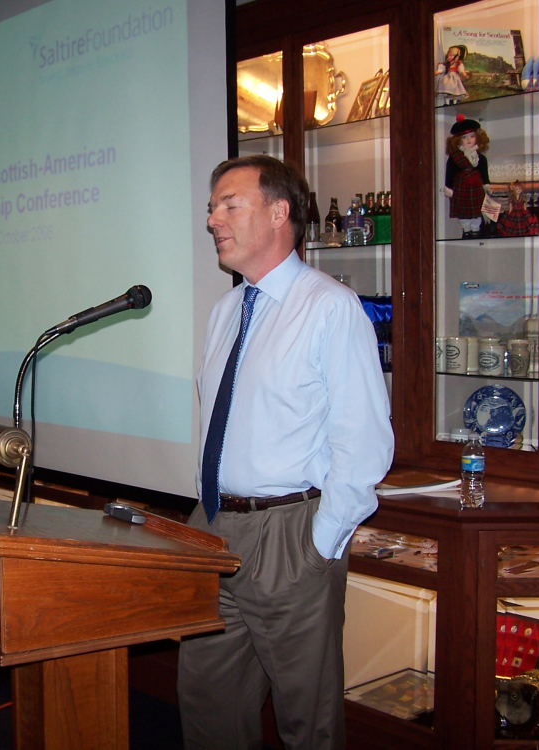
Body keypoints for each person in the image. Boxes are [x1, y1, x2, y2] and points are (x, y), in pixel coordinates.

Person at [177, 154, 394, 750]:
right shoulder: (226, 311)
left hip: (288, 535)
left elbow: (364, 441)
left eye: (229, 205)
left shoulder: (329, 306)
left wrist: (319, 545)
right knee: (208, 707)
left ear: (279, 213)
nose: (212, 220)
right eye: (211, 208)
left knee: (307, 723)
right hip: (213, 527)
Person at [444, 114, 492, 239]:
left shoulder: (481, 158)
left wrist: (486, 184)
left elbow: (484, 173)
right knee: (464, 213)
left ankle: (475, 229)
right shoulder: (455, 158)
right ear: (458, 140)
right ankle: (466, 230)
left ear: (478, 138)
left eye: (472, 136)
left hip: (477, 188)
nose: (469, 140)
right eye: (464, 137)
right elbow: (450, 173)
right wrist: (449, 187)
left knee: (477, 211)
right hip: (462, 188)